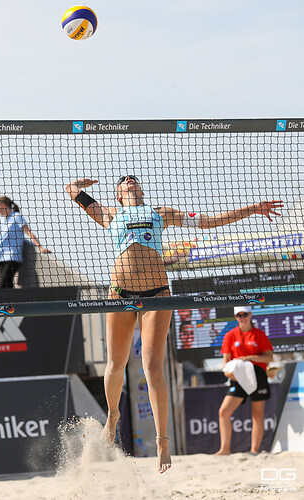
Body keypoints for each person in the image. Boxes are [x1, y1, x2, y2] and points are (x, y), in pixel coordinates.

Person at [65, 175, 282, 473]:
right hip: (120, 292)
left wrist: (252, 209)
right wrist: (79, 183)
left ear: (140, 189)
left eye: (134, 179)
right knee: (115, 365)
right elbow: (72, 191)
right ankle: (113, 415)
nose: (129, 180)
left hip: (157, 294)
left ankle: (162, 441)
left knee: (153, 367)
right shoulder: (110, 214)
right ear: (118, 194)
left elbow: (209, 222)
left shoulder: (161, 213)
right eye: (124, 181)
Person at [216, 306, 274, 455]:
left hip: (258, 374)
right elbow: (226, 363)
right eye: (239, 315)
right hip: (239, 376)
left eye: (245, 314)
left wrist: (250, 358)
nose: (242, 318)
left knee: (257, 414)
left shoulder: (259, 334)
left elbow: (269, 358)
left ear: (250, 314)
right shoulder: (230, 335)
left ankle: (254, 451)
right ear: (236, 317)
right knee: (223, 411)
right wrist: (230, 375)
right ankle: (225, 449)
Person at [0, 196, 50, 288]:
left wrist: (39, 247)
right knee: (6, 285)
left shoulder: (16, 217)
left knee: (3, 284)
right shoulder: (4, 220)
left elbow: (28, 232)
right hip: (1, 257)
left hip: (12, 257)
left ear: (3, 205)